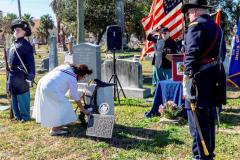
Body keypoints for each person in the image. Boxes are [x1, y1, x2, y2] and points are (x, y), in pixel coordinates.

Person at [181, 0, 226, 160]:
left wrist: (186, 79)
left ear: (195, 10)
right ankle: (209, 154)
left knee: (197, 124)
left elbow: (191, 54)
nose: (188, 16)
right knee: (209, 120)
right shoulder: (217, 27)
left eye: (189, 13)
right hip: (215, 79)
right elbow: (223, 54)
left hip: (199, 82)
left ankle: (200, 157)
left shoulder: (196, 26)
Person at [32, 64, 92, 136]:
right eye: (84, 77)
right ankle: (55, 130)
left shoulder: (67, 67)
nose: (83, 78)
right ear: (80, 74)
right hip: (51, 88)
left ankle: (57, 124)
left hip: (44, 83)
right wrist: (83, 110)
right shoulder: (72, 78)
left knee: (56, 107)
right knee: (66, 108)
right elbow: (75, 96)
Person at [7, 19, 35, 122]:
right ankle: (17, 115)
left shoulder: (26, 45)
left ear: (24, 31)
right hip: (12, 74)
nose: (16, 31)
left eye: (18, 29)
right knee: (14, 95)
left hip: (21, 75)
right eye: (15, 29)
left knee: (22, 95)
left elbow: (31, 63)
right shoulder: (13, 44)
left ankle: (25, 116)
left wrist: (30, 77)